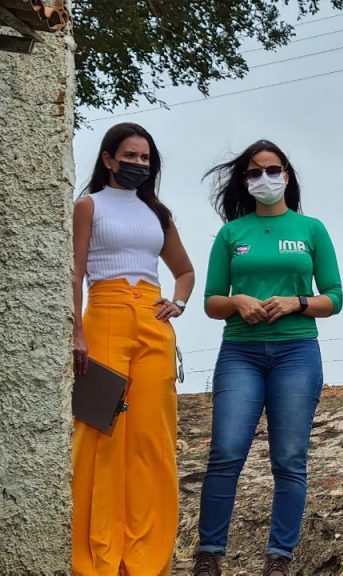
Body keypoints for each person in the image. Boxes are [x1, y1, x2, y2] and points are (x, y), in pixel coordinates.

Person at [191, 140, 343, 576]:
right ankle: (209, 553)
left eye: (272, 170)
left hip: (297, 351)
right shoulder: (231, 234)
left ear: (287, 175)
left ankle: (280, 558)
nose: (265, 179)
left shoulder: (312, 229)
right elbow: (211, 302)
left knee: (290, 457)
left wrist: (297, 301)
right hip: (240, 351)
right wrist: (238, 301)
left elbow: (334, 298)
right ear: (245, 181)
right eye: (254, 172)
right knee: (226, 451)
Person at [71, 122, 195, 575]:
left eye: (145, 158)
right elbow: (75, 270)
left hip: (152, 319)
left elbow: (184, 269)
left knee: (151, 436)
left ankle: (145, 557)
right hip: (104, 313)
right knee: (100, 433)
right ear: (108, 158)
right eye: (130, 155)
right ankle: (98, 555)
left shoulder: (156, 213)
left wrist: (177, 303)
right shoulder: (87, 206)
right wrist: (75, 331)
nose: (138, 164)